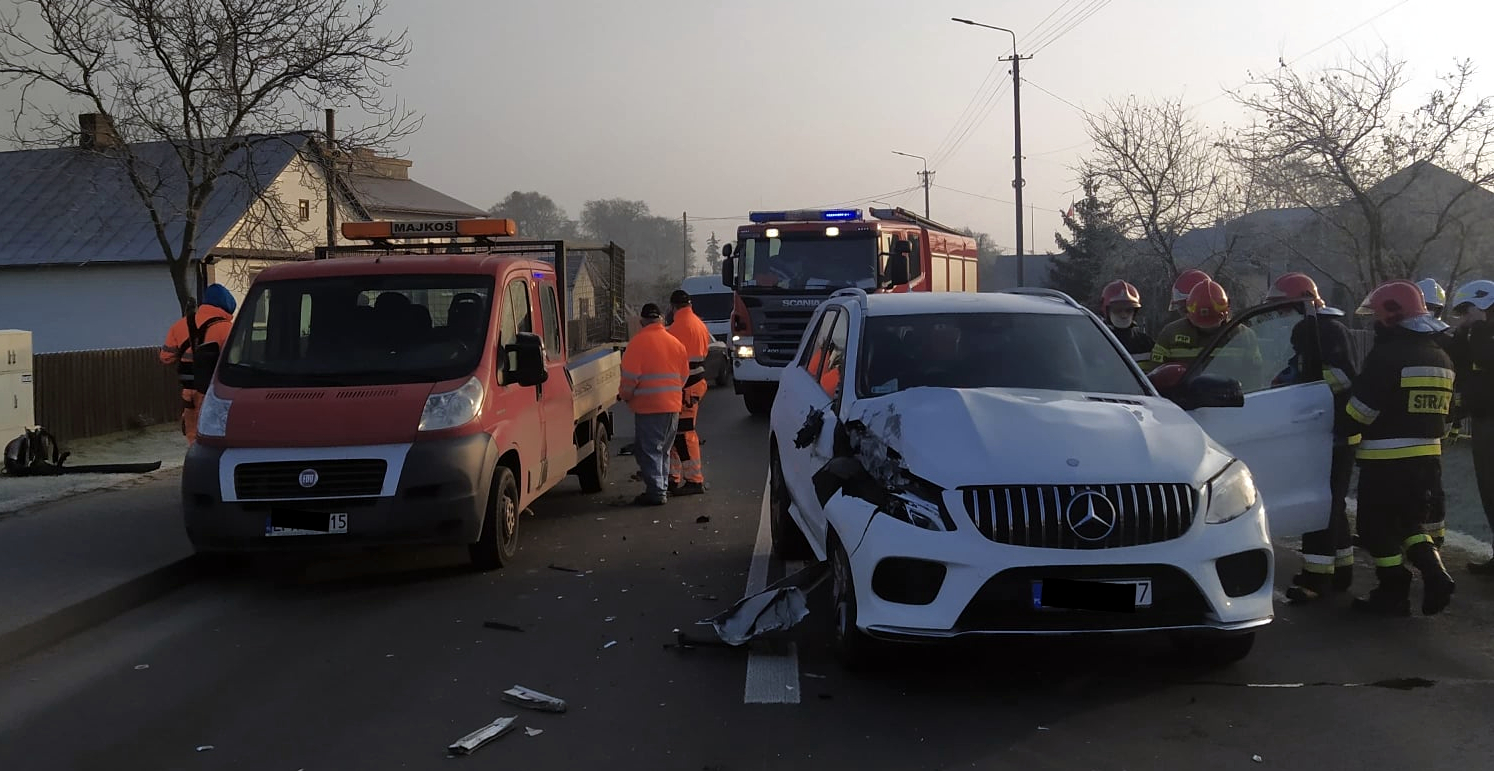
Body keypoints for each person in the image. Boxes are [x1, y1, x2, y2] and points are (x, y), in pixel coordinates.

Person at [1342, 279, 1456, 616]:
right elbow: (1446, 417)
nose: (1374, 324)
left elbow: (1361, 412)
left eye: (1377, 317)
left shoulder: (1388, 355)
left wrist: (1342, 425)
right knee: (1409, 524)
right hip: (1428, 461)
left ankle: (1393, 591)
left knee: (1375, 529)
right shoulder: (1442, 358)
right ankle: (1436, 574)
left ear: (1391, 315)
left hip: (1386, 461)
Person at [1268, 273, 1360, 602]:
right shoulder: (1329, 328)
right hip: (1334, 430)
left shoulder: (1315, 330)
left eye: (1282, 307)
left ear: (1300, 302)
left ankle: (1315, 579)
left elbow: (1339, 376)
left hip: (1325, 431)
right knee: (1333, 502)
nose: (1280, 315)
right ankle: (1341, 571)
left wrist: (1300, 383)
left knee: (1318, 503)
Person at [619, 303, 689, 506]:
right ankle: (662, 486)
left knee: (649, 450)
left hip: (649, 407)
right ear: (661, 319)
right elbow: (683, 376)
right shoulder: (676, 343)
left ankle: (657, 492)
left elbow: (629, 379)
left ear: (642, 321)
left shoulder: (637, 344)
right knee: (663, 449)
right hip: (672, 406)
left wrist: (625, 396)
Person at [1447, 280, 1494, 574]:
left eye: (1467, 311)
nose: (1463, 317)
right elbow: (1461, 365)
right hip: (1483, 420)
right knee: (1488, 491)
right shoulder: (1476, 335)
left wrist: (1478, 328)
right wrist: (1466, 330)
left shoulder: (1485, 335)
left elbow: (1485, 358)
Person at [160, 284, 236, 445]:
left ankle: (195, 466)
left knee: (193, 437)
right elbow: (236, 362)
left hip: (189, 393)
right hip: (216, 393)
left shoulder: (179, 326)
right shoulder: (228, 329)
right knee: (217, 436)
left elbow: (166, 357)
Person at [666, 289, 712, 496]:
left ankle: (694, 480)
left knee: (683, 434)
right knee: (676, 433)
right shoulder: (699, 324)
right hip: (696, 383)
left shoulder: (675, 329)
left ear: (673, 307)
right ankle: (673, 477)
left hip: (686, 386)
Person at [1148, 279, 1236, 371]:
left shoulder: (1243, 336)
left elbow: (1251, 373)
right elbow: (1155, 372)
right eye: (1201, 324)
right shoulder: (1170, 334)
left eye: (1212, 323)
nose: (1206, 328)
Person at [1100, 279, 1154, 363]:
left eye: (1128, 310)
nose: (1124, 315)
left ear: (1135, 312)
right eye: (1118, 310)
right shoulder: (1097, 341)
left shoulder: (1146, 343)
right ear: (1107, 311)